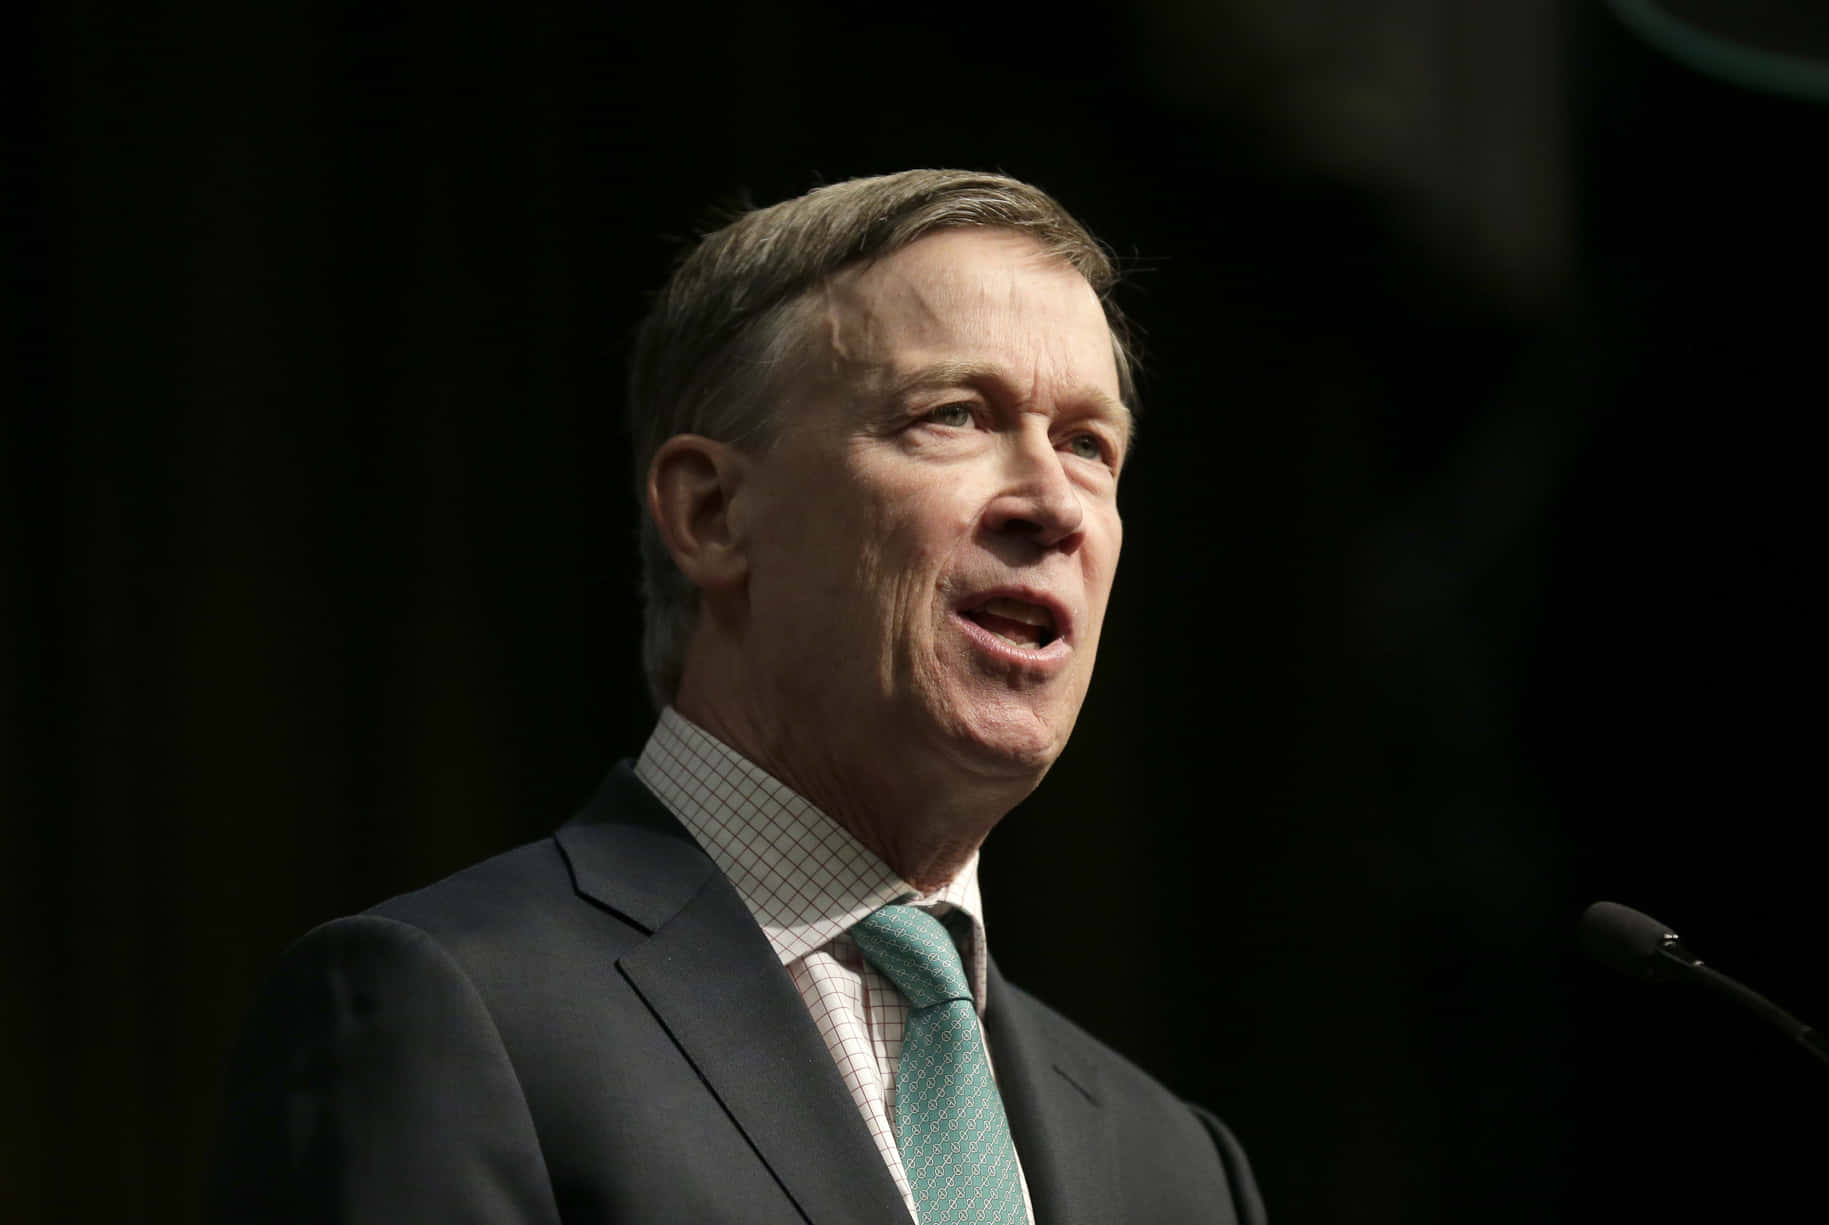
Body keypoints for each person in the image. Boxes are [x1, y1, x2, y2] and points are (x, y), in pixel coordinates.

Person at [209, 169, 1266, 1224]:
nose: (1053, 504)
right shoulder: (444, 1015)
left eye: (1089, 444)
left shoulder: (1180, 1167)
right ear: (712, 512)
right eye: (954, 414)